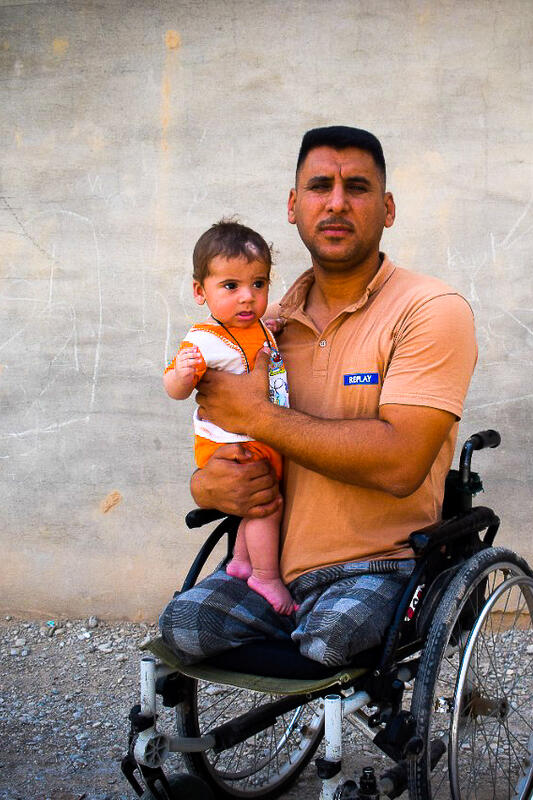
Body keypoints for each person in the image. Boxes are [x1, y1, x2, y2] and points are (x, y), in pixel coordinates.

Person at [158, 126, 477, 667]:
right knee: (183, 627)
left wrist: (257, 415)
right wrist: (207, 485)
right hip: (277, 567)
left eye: (356, 187)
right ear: (292, 205)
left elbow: (402, 465)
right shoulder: (264, 326)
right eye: (318, 186)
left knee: (329, 639)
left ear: (388, 208)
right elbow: (222, 433)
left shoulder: (430, 309)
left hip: (386, 565)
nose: (335, 202)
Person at [162, 219, 296, 615]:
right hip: (231, 443)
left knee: (257, 503)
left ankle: (240, 562)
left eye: (258, 284)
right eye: (231, 286)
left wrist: (274, 326)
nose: (247, 298)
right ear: (199, 292)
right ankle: (266, 577)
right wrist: (182, 376)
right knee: (264, 505)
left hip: (261, 433)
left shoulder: (258, 326)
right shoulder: (203, 339)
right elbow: (174, 386)